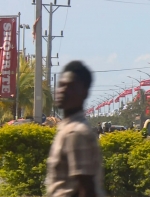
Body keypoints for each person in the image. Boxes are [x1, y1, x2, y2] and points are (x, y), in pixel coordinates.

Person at [45, 61, 105, 197]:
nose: (63, 90)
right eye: (61, 85)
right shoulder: (66, 128)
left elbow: (87, 189)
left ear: (84, 92)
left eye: (71, 86)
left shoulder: (76, 132)